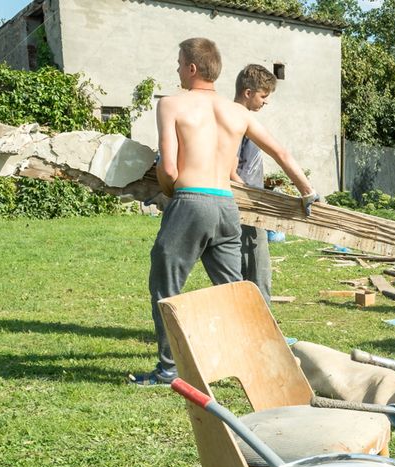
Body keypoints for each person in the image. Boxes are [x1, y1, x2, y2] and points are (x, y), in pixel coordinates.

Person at [130, 38, 320, 386]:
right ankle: (255, 363)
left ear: (191, 67)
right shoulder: (238, 114)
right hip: (226, 207)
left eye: (178, 64)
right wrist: (308, 192)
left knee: (166, 286)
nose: (176, 70)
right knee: (233, 293)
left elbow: (169, 170)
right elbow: (281, 153)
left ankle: (169, 369)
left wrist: (176, 195)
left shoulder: (171, 104)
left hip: (190, 201)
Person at [230, 64, 279, 304]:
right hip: (244, 205)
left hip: (250, 202)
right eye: (263, 96)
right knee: (256, 266)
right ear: (248, 93)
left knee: (250, 265)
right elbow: (230, 169)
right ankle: (260, 320)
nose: (265, 102)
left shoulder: (238, 119)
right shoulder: (237, 121)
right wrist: (248, 198)